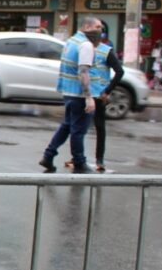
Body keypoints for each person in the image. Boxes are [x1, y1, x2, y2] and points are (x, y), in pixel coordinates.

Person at [40, 16, 110, 174]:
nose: (100, 31)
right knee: (78, 130)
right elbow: (83, 71)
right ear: (86, 26)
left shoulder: (71, 41)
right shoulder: (85, 45)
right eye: (98, 27)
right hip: (79, 94)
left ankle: (48, 155)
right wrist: (89, 97)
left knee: (66, 126)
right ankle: (79, 162)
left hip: (68, 91)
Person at [65, 44, 124, 172]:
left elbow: (120, 71)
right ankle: (82, 158)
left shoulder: (105, 51)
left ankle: (96, 159)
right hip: (86, 93)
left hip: (96, 94)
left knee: (92, 127)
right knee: (83, 128)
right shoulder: (83, 47)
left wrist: (107, 91)